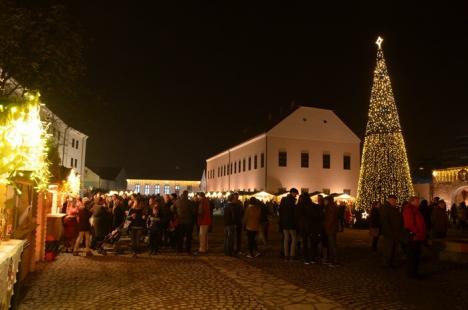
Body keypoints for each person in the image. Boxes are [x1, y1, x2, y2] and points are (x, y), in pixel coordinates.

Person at [402, 196, 426, 278]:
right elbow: (410, 224)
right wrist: (417, 232)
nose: (418, 203)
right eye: (417, 201)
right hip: (413, 236)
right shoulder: (409, 209)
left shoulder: (414, 209)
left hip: (417, 236)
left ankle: (413, 272)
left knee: (415, 255)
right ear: (412, 201)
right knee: (412, 256)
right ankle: (412, 273)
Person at [380, 195, 403, 268]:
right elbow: (384, 222)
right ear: (389, 200)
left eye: (395, 200)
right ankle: (387, 263)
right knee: (388, 248)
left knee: (393, 248)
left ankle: (391, 262)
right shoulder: (385, 208)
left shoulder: (393, 208)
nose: (395, 202)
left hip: (395, 232)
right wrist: (390, 232)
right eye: (394, 200)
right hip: (389, 233)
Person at [279, 188, 299, 261]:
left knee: (286, 238)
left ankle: (286, 255)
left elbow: (280, 210)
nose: (296, 195)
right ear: (293, 193)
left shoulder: (283, 199)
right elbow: (294, 213)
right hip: (291, 222)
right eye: (296, 193)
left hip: (284, 222)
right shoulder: (293, 200)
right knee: (294, 238)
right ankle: (292, 255)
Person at [323, 196, 339, 266]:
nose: (324, 202)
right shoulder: (332, 206)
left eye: (325, 201)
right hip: (332, 228)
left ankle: (333, 261)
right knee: (332, 245)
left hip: (331, 229)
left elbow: (330, 219)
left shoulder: (330, 207)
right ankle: (333, 260)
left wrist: (326, 227)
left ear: (328, 201)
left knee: (332, 245)